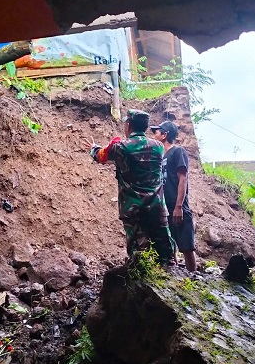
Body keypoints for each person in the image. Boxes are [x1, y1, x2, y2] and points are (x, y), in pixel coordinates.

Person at [83, 109, 175, 265]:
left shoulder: (121, 147)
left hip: (133, 208)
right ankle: (171, 281)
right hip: (156, 206)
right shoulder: (158, 146)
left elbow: (101, 156)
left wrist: (94, 148)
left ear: (128, 125)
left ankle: (141, 283)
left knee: (138, 252)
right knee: (165, 250)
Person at [151, 120, 197, 272]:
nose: (154, 135)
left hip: (177, 206)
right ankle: (176, 279)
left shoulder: (178, 152)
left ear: (164, 135)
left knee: (186, 246)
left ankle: (194, 279)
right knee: (171, 247)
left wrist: (179, 206)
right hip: (164, 208)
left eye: (156, 132)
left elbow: (183, 178)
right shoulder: (158, 156)